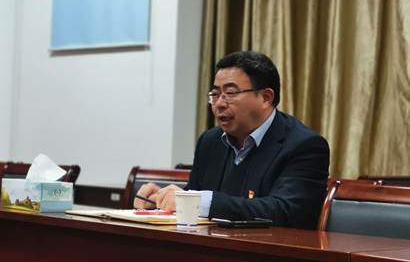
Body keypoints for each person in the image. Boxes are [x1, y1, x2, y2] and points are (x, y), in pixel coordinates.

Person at [134, 51, 330, 229]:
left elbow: (287, 211)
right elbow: (198, 197)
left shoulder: (304, 146)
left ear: (266, 98)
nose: (219, 104)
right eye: (215, 94)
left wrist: (195, 201)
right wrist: (160, 200)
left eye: (230, 93)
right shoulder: (210, 141)